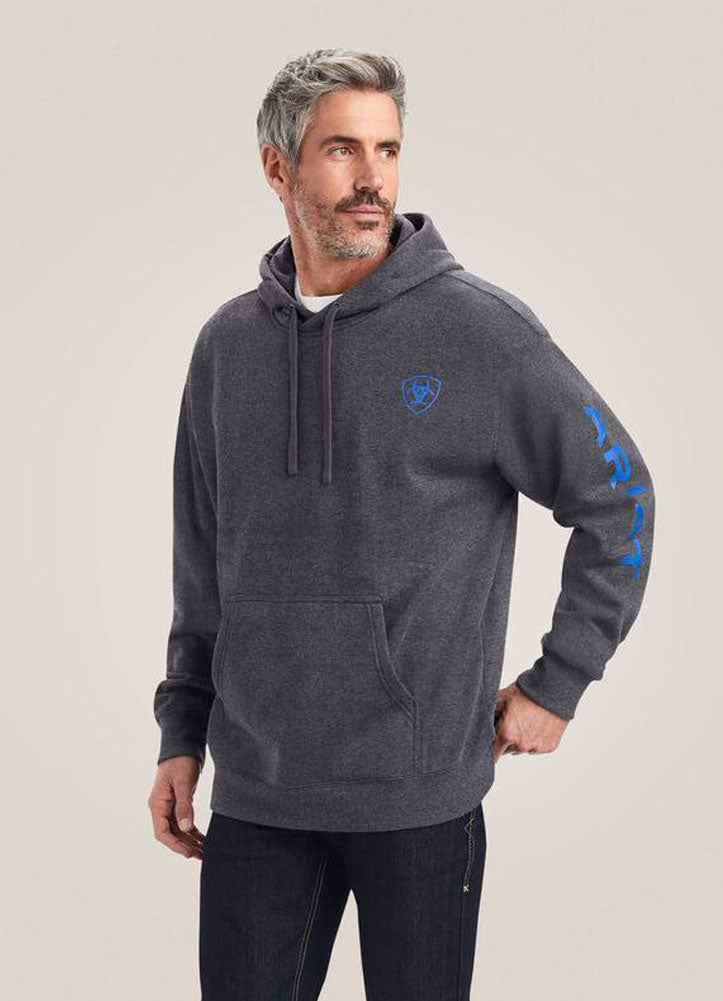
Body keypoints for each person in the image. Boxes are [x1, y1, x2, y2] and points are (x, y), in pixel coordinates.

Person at [147, 48, 656, 1000]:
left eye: (386, 150)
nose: (372, 178)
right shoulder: (226, 347)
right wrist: (182, 729)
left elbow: (618, 494)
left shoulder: (481, 332)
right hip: (257, 790)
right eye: (342, 149)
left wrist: (560, 680)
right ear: (277, 167)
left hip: (419, 796)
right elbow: (202, 560)